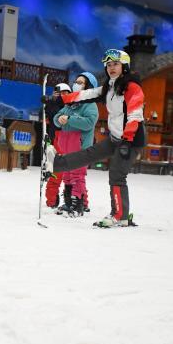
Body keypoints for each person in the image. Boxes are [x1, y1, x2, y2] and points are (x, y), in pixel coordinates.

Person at [43, 49, 146, 228]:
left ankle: (120, 215)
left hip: (131, 139)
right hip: (115, 137)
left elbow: (135, 115)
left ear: (125, 66)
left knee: (117, 175)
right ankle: (55, 164)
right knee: (88, 154)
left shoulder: (132, 88)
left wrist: (128, 140)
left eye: (115, 64)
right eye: (109, 65)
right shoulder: (110, 87)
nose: (111, 68)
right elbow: (85, 95)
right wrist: (60, 101)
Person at [53, 73, 98, 216]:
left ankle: (77, 203)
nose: (76, 84)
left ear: (88, 86)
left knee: (77, 175)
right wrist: (58, 119)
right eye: (76, 81)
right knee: (67, 173)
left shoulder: (90, 104)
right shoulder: (70, 104)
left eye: (81, 82)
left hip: (80, 146)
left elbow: (89, 122)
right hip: (66, 145)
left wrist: (70, 119)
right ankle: (68, 201)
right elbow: (56, 117)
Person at [44, 83, 70, 209]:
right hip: (57, 140)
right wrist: (49, 102)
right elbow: (51, 116)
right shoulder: (53, 105)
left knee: (74, 173)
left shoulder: (72, 104)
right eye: (59, 93)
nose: (62, 96)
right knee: (56, 171)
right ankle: (52, 200)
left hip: (71, 140)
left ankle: (76, 199)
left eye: (65, 93)